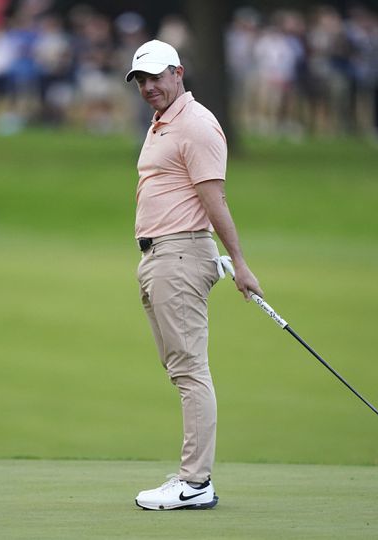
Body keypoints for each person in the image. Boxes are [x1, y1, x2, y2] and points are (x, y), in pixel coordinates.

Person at [126, 39, 263, 511]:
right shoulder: (162, 124)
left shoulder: (197, 125)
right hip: (162, 256)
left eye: (155, 77)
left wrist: (238, 261)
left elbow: (214, 198)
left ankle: (195, 481)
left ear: (178, 73)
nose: (147, 87)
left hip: (179, 256)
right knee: (180, 370)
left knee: (190, 371)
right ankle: (193, 477)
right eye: (140, 80)